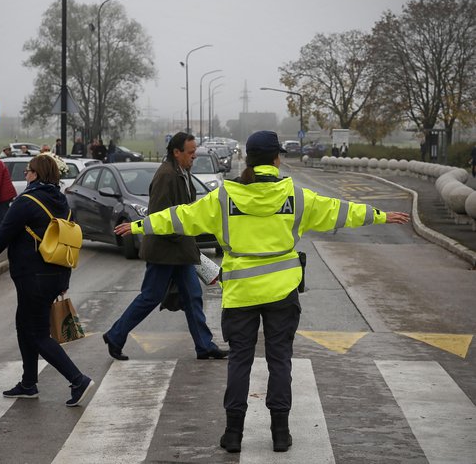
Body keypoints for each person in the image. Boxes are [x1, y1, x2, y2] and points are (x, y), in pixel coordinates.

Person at [114, 130, 410, 454]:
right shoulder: (295, 196)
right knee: (280, 360)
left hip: (240, 294)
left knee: (239, 361)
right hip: (283, 293)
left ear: (247, 159)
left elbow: (182, 217)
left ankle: (233, 434)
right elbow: (340, 211)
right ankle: (280, 434)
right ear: (276, 158)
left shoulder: (224, 197)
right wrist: (380, 216)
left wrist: (140, 226)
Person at [0, 155, 95, 406]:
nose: (25, 175)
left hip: (32, 277)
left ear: (36, 174)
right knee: (24, 326)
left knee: (38, 334)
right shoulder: (63, 202)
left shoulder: (26, 202)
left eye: (27, 171)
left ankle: (78, 380)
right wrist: (64, 279)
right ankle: (28, 383)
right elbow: (68, 243)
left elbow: (2, 236)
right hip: (55, 274)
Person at [102, 132, 228, 362]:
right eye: (190, 153)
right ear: (176, 152)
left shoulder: (181, 172)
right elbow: (159, 217)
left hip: (180, 251)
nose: (194, 157)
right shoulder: (166, 176)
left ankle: (204, 346)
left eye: (194, 152)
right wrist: (184, 238)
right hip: (165, 251)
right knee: (151, 296)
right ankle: (115, 335)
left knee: (193, 296)